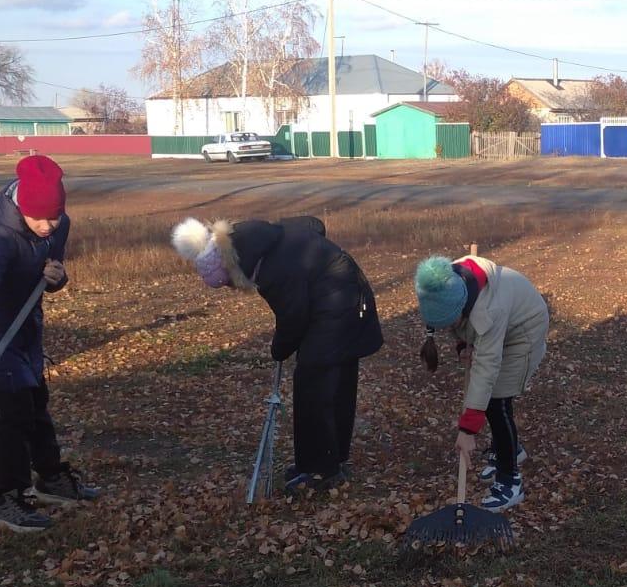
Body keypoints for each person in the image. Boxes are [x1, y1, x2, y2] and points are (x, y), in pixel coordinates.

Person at [171, 215, 382, 493]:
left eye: (229, 283)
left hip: (338, 304)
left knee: (313, 385)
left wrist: (278, 349)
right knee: (334, 382)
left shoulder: (271, 271)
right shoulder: (260, 238)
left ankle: (322, 471)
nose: (235, 288)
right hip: (344, 295)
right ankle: (324, 461)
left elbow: (293, 317)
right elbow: (313, 224)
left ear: (231, 268)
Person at [0, 155, 98, 533]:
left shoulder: (58, 224)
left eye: (54, 217)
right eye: (39, 219)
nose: (47, 227)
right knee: (15, 413)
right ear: (22, 208)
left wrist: (57, 278)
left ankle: (52, 479)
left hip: (26, 324)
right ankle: (6, 501)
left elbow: (51, 272)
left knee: (36, 403)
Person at [415, 253, 549, 512]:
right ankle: (509, 450)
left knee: (496, 400)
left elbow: (486, 368)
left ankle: (511, 482)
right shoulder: (445, 281)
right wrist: (464, 343)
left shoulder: (490, 309)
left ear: (461, 308)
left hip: (523, 334)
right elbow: (463, 326)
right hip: (501, 327)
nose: (448, 327)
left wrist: (467, 430)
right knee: (493, 401)